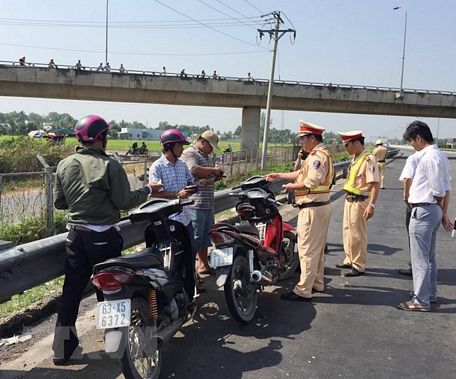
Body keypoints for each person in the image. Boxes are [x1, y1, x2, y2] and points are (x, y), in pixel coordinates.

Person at [52, 115, 161, 365]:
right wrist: (147, 190)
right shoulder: (109, 165)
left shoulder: (64, 164)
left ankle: (62, 350)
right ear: (101, 137)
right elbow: (124, 202)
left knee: (71, 292)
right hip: (104, 236)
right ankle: (115, 345)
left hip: (76, 237)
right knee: (111, 289)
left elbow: (60, 203)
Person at [266, 121, 334, 301]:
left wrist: (291, 187)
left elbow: (311, 182)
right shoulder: (318, 154)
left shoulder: (317, 157)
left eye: (303, 138)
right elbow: (301, 174)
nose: (302, 142)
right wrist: (279, 176)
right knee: (317, 249)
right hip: (319, 207)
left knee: (307, 250)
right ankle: (317, 283)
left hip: (312, 208)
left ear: (312, 138)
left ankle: (303, 290)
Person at [397, 121, 452, 312]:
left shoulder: (429, 158)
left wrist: (437, 207)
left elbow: (439, 191)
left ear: (419, 138)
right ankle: (430, 293)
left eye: (412, 141)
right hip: (433, 210)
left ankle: (420, 300)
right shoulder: (441, 157)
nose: (412, 145)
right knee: (429, 257)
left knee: (420, 258)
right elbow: (447, 189)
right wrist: (443, 213)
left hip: (425, 209)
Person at [149, 129, 197, 298]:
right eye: (179, 146)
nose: (182, 149)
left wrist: (196, 186)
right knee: (171, 260)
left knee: (190, 255)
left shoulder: (183, 165)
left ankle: (190, 290)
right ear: (170, 147)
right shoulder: (158, 167)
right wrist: (177, 194)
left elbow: (190, 184)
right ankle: (172, 293)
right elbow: (153, 193)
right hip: (168, 221)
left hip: (185, 218)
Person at [337, 130, 380, 277]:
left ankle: (358, 265)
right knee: (348, 231)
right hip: (350, 200)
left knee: (357, 234)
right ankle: (349, 258)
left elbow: (374, 184)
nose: (346, 148)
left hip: (360, 201)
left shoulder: (368, 159)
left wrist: (371, 205)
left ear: (356, 143)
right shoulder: (355, 158)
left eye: (347, 145)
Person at [181, 131, 224, 277]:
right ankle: (191, 272)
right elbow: (193, 170)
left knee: (206, 237)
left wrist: (215, 176)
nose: (212, 149)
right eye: (210, 146)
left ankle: (203, 265)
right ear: (202, 142)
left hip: (207, 203)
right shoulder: (190, 153)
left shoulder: (205, 156)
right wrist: (214, 170)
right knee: (196, 238)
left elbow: (207, 177)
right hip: (195, 203)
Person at [398, 152, 422, 276]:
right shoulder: (440, 157)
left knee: (414, 238)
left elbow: (407, 178)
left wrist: (406, 197)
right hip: (434, 206)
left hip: (416, 204)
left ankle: (415, 267)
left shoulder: (414, 158)